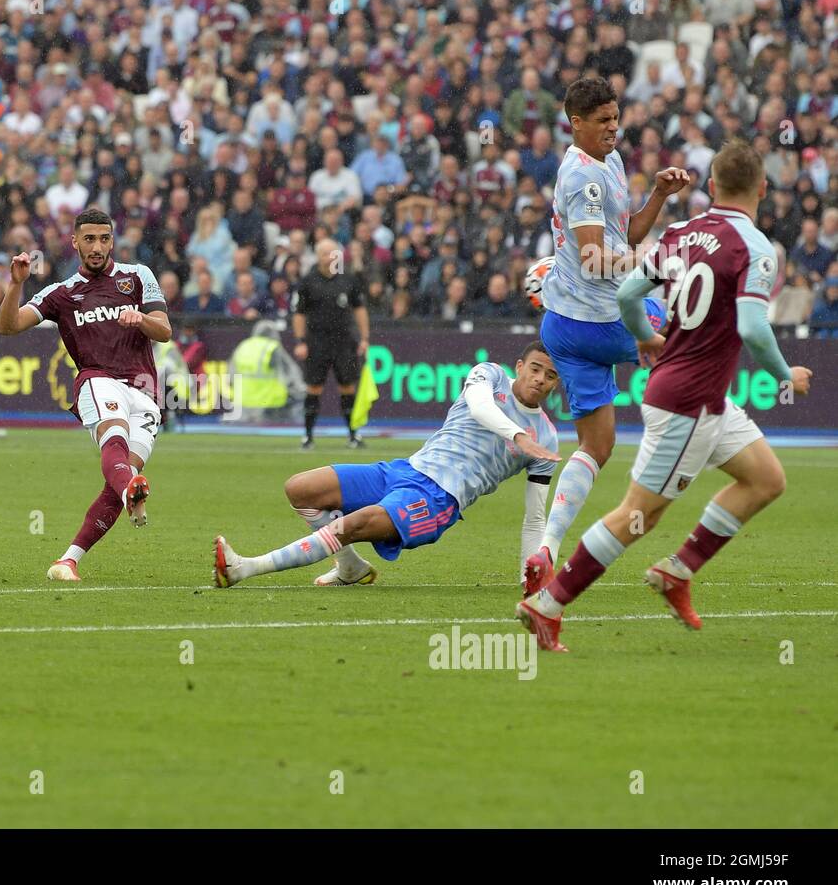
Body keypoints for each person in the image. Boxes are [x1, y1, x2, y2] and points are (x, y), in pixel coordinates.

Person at [519, 141, 812, 652]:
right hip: (688, 403)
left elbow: (631, 294)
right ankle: (548, 604)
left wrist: (646, 337)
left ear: (712, 187)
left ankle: (678, 570)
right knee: (639, 515)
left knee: (765, 479)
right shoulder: (755, 248)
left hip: (701, 397)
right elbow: (751, 324)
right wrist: (786, 374)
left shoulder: (683, 233)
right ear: (764, 189)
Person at [524, 77, 692, 597]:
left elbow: (627, 235)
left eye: (616, 118)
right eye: (602, 121)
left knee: (597, 445)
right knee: (688, 335)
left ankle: (546, 548)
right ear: (575, 123)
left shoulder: (609, 163)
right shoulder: (583, 179)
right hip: (604, 321)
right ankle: (694, 451)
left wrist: (660, 194)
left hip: (564, 328)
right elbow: (599, 261)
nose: (613, 128)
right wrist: (662, 265)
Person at [215, 343, 561, 588]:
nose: (540, 379)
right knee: (301, 489)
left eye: (550, 375)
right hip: (404, 470)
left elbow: (535, 518)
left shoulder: (545, 437)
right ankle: (350, 567)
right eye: (534, 368)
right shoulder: (490, 376)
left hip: (439, 499)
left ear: (556, 382)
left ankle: (245, 568)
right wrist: (516, 435)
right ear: (519, 367)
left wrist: (528, 577)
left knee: (355, 523)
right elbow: (480, 406)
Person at [0, 208, 171, 582]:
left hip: (144, 391)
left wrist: (140, 318)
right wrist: (15, 285)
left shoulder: (139, 277)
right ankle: (131, 491)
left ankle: (67, 561)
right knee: (115, 441)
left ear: (113, 240)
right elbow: (8, 326)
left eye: (104, 238)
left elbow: (165, 331)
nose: (97, 247)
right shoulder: (61, 294)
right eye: (89, 239)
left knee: (120, 478)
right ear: (74, 242)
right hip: (97, 380)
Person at [293, 238, 369, 449]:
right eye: (326, 253)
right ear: (318, 257)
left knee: (347, 386)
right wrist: (300, 341)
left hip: (344, 341)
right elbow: (299, 313)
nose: (331, 257)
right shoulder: (309, 281)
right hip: (317, 341)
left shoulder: (348, 280)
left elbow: (359, 310)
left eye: (334, 253)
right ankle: (308, 436)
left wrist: (364, 338)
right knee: (314, 387)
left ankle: (354, 435)